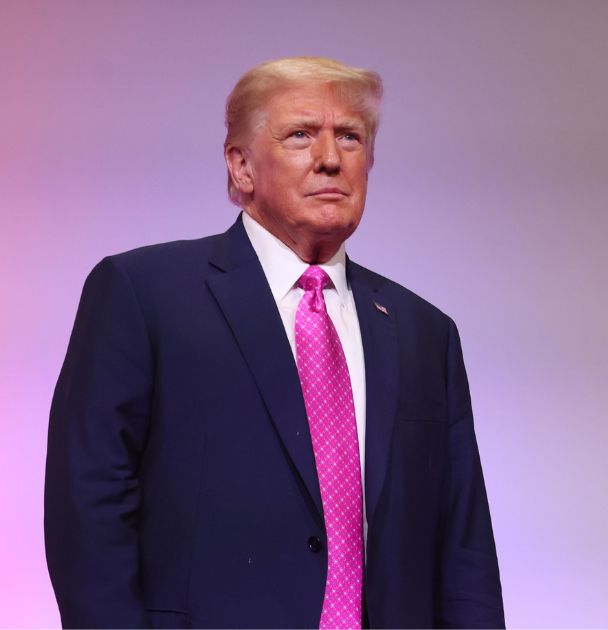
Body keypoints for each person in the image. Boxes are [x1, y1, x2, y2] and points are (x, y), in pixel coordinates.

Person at [44, 56, 504, 629]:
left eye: (350, 138)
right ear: (241, 167)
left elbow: (464, 548)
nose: (331, 158)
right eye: (301, 135)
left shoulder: (423, 332)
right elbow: (89, 512)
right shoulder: (144, 294)